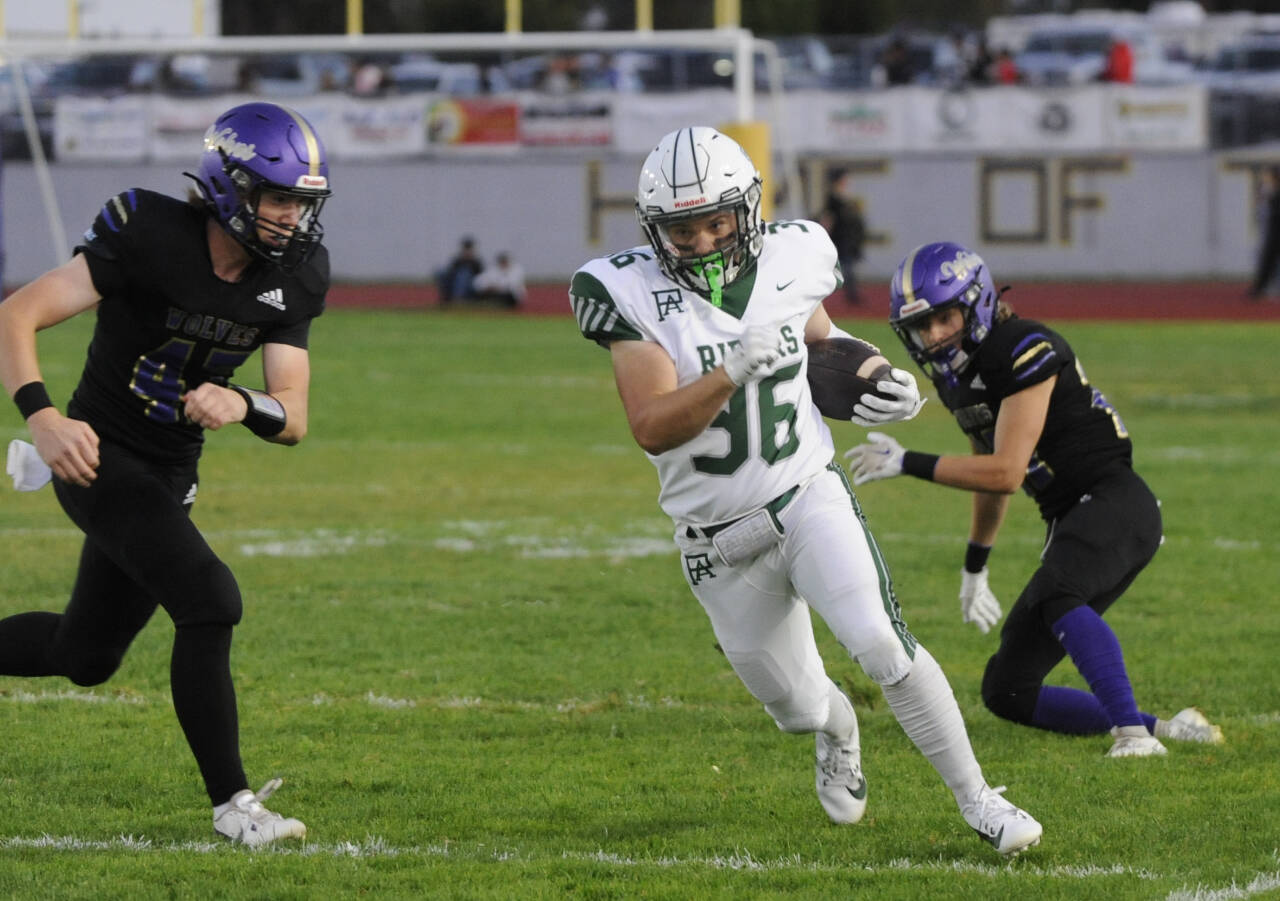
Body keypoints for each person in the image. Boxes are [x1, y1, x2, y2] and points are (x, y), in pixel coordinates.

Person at [568, 127, 1043, 857]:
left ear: (747, 210)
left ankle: (980, 800)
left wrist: (878, 374)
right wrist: (730, 371)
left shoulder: (796, 254)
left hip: (805, 494)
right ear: (653, 228)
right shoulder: (626, 291)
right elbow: (652, 427)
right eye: (682, 229)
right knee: (794, 707)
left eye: (716, 222)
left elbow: (822, 341)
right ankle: (838, 728)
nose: (701, 241)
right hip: (718, 540)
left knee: (881, 640)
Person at [0, 101, 332, 845]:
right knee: (211, 599)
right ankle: (234, 807)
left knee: (84, 656)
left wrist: (242, 401)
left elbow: (293, 415)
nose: (292, 217)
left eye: (302, 202)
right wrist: (43, 419)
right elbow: (16, 314)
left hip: (170, 472)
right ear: (229, 186)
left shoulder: (298, 273)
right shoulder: (148, 231)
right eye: (278, 197)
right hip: (95, 454)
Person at [844, 242, 1225, 758]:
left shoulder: (1022, 346)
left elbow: (1006, 472)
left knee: (1057, 595)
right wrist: (975, 566)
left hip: (1114, 503)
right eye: (920, 326)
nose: (932, 336)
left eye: (943, 318)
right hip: (1072, 519)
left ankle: (1133, 738)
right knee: (1008, 690)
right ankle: (1169, 729)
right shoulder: (963, 378)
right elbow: (987, 470)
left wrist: (907, 461)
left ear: (976, 304)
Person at [816, 169, 866, 306]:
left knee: (847, 268)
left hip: (848, 240)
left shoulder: (846, 198)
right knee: (844, 269)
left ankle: (851, 295)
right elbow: (828, 219)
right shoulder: (833, 199)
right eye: (844, 180)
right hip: (839, 240)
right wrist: (824, 237)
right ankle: (851, 296)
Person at [1248, 165, 1280, 300]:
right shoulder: (1268, 190)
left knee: (1269, 260)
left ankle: (1263, 287)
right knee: (1267, 260)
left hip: (1275, 231)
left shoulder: (1273, 192)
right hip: (1271, 231)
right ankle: (1262, 287)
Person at [437, 236, 483, 305]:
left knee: (464, 274)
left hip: (470, 284)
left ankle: (458, 298)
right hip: (455, 283)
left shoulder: (476, 262)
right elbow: (450, 272)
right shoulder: (457, 260)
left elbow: (480, 276)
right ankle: (446, 297)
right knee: (440, 272)